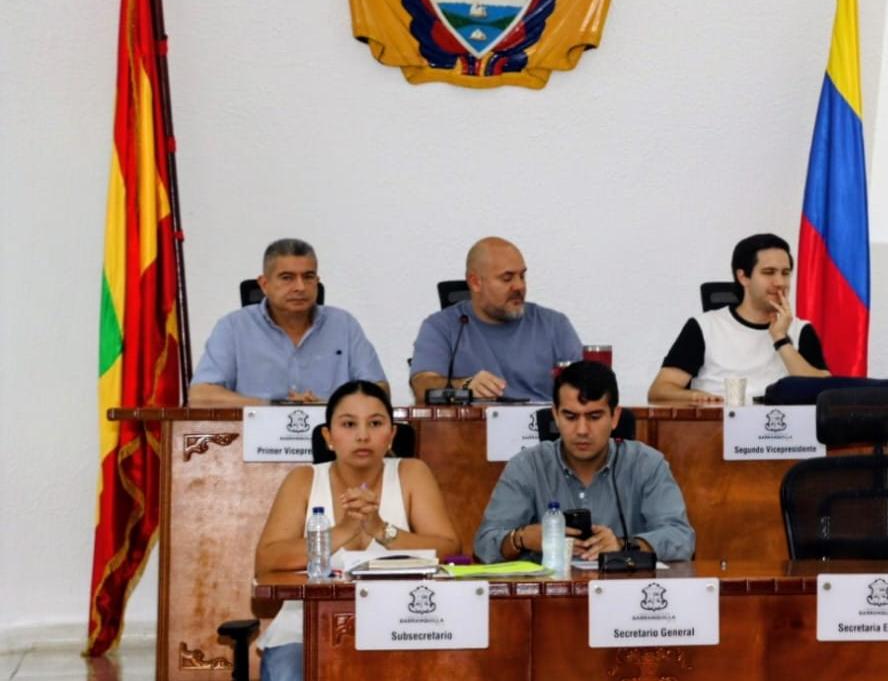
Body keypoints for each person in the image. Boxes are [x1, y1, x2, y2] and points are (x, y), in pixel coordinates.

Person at [253, 380, 460, 681]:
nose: (363, 435)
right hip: (306, 627)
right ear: (328, 436)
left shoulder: (411, 473)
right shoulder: (303, 479)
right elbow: (267, 560)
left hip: (401, 626)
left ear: (391, 435)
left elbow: (449, 549)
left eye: (375, 423)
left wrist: (380, 529)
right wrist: (343, 531)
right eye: (349, 424)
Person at [476, 361, 695, 563]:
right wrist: (522, 538)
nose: (582, 430)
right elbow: (484, 544)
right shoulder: (527, 466)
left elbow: (682, 539)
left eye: (594, 417)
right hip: (551, 590)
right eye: (570, 417)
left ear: (615, 417)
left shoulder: (646, 464)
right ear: (556, 416)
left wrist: (624, 545)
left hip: (620, 589)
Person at [190, 239, 386, 405]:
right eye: (287, 278)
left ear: (317, 281)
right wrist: (276, 407)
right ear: (264, 284)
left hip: (329, 435)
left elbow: (379, 390)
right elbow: (200, 396)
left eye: (308, 277)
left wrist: (328, 408)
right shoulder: (233, 327)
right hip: (256, 435)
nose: (300, 287)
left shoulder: (343, 325)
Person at [647, 233, 829, 403]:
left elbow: (824, 392)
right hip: (719, 423)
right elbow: (659, 391)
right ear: (743, 277)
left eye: (785, 273)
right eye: (769, 272)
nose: (780, 282)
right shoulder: (705, 327)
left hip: (782, 426)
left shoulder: (801, 330)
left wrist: (781, 340)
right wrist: (697, 397)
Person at [409, 236, 582, 403]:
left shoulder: (554, 325)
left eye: (522, 276)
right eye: (507, 278)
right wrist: (464, 386)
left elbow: (587, 388)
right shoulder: (442, 327)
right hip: (475, 423)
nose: (519, 286)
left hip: (541, 423)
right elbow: (422, 386)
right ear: (475, 283)